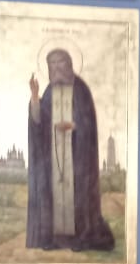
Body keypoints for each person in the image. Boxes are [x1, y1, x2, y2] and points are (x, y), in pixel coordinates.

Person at [27, 48, 115, 251]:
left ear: (69, 65)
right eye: (52, 66)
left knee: (77, 193)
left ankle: (80, 236)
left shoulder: (81, 89)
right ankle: (54, 238)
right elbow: (38, 122)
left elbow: (89, 122)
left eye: (60, 64)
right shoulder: (49, 92)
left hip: (77, 157)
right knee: (54, 193)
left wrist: (74, 126)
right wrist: (35, 97)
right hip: (54, 158)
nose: (56, 69)